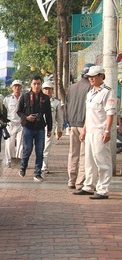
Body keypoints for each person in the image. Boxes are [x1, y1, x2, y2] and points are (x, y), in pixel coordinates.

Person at [73, 65, 118, 199]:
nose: (91, 79)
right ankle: (88, 186)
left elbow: (110, 113)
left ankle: (103, 189)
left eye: (93, 76)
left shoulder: (108, 92)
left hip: (100, 131)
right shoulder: (90, 92)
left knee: (102, 161)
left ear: (101, 76)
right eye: (89, 77)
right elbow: (88, 114)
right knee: (89, 160)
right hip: (90, 131)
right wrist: (84, 130)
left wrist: (107, 130)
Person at [17, 75, 53, 182]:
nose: (36, 86)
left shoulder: (45, 98)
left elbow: (48, 114)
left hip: (40, 128)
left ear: (41, 84)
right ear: (31, 85)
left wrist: (50, 129)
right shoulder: (25, 96)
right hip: (28, 127)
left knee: (40, 151)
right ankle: (23, 167)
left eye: (38, 84)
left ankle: (37, 173)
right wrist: (27, 117)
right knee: (27, 150)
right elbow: (19, 111)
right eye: (34, 84)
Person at [64, 63, 93, 189]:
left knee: (73, 153)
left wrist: (68, 123)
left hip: (73, 124)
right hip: (84, 125)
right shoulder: (90, 88)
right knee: (83, 154)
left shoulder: (72, 87)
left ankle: (71, 180)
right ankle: (80, 182)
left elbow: (65, 106)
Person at [41, 81, 63, 173]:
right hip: (39, 127)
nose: (47, 91)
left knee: (46, 147)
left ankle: (44, 166)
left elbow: (59, 117)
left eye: (49, 89)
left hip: (50, 127)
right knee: (39, 147)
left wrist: (60, 129)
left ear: (52, 90)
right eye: (45, 89)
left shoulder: (56, 102)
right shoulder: (38, 100)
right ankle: (39, 164)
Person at [3, 79, 24, 168]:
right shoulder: (7, 98)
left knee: (21, 144)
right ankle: (8, 161)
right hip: (10, 124)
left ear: (21, 87)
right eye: (15, 86)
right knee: (9, 144)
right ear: (12, 87)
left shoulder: (24, 97)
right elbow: (3, 111)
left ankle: (19, 161)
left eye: (19, 86)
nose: (17, 88)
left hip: (21, 123)